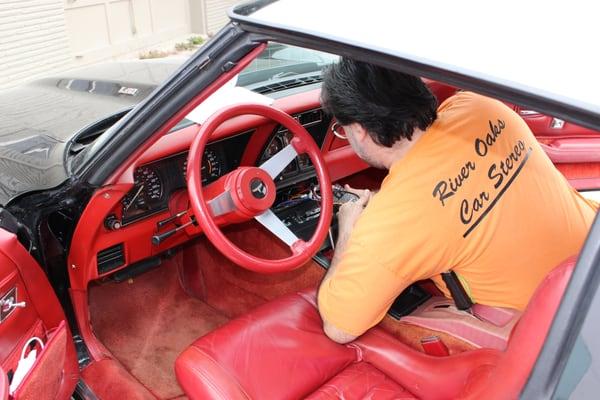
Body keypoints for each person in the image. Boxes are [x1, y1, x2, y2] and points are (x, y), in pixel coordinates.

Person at [317, 58, 598, 344]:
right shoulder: (480, 106)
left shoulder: (393, 224)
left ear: (360, 130)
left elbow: (339, 328)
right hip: (591, 257)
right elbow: (445, 186)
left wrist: (348, 234)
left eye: (342, 128)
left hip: (553, 331)